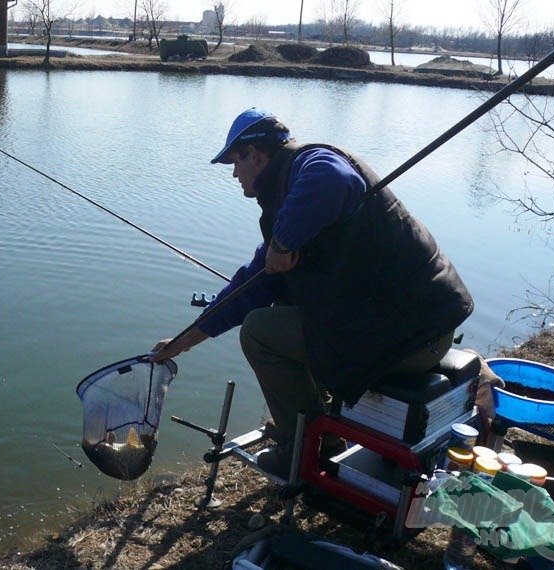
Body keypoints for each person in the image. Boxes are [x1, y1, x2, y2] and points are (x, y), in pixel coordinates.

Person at [150, 108, 474, 477]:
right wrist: (182, 342)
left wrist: (284, 240)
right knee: (283, 305)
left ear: (255, 154)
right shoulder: (290, 199)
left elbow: (334, 178)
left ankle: (303, 451)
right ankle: (317, 427)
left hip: (409, 338)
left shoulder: (313, 163)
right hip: (422, 328)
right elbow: (249, 288)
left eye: (235, 161)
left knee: (259, 331)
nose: (234, 172)